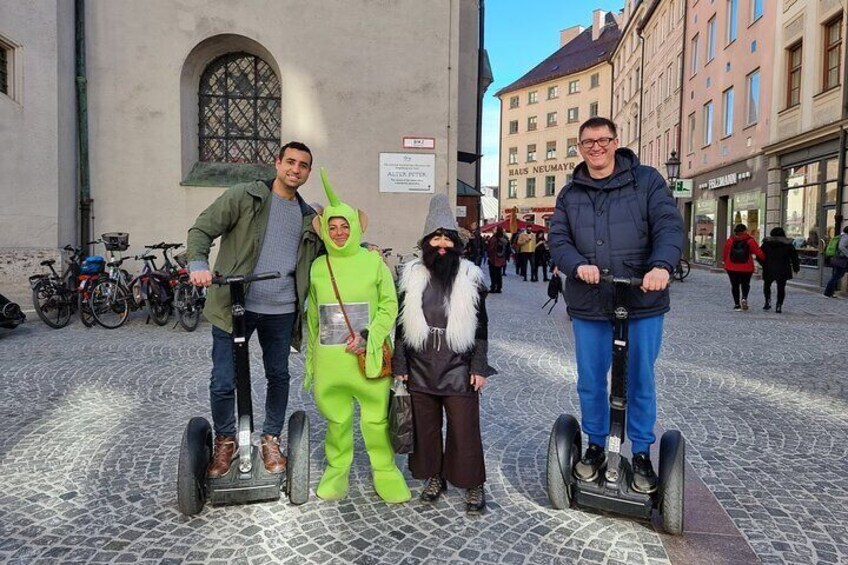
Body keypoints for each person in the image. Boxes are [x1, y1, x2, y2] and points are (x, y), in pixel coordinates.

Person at [548, 116, 683, 494]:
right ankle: (594, 444)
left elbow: (669, 226)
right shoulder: (570, 193)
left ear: (615, 142)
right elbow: (558, 239)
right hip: (590, 301)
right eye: (588, 142)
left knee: (640, 377)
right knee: (591, 379)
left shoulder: (648, 180)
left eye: (603, 140)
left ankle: (640, 451)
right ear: (580, 147)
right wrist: (577, 265)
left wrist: (661, 265)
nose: (596, 147)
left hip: (642, 298)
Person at [186, 141, 323, 478]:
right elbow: (202, 228)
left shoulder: (308, 217)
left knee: (278, 375)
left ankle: (271, 438)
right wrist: (199, 262)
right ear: (276, 163)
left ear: (307, 172)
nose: (295, 169)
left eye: (303, 165)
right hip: (235, 305)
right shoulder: (245, 196)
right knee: (222, 380)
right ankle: (226, 441)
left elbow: (334, 245)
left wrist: (367, 249)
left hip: (282, 309)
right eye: (290, 162)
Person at [304, 170, 410, 503]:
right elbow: (311, 319)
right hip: (331, 363)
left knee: (375, 421)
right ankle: (337, 470)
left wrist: (371, 335)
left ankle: (384, 470)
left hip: (369, 358)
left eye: (344, 226)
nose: (338, 232)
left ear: (356, 227)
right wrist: (311, 363)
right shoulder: (318, 266)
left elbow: (390, 305)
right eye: (332, 226)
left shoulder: (373, 262)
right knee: (337, 421)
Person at [393, 193, 492, 514]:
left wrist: (478, 367)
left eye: (447, 239)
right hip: (420, 364)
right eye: (435, 238)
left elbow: (481, 327)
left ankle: (473, 482)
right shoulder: (411, 275)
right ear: (425, 242)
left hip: (457, 364)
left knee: (464, 428)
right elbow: (401, 326)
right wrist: (400, 364)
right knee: (426, 427)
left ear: (455, 244)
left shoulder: (470, 277)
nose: (441, 245)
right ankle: (435, 476)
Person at [723, 223, 765, 311]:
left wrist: (725, 263)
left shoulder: (730, 240)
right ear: (745, 231)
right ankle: (744, 298)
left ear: (736, 231)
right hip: (746, 267)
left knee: (735, 285)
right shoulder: (750, 240)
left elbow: (725, 253)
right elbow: (758, 252)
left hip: (731, 267)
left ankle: (737, 305)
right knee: (745, 284)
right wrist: (765, 260)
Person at [758, 227, 800, 313]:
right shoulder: (788, 244)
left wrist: (763, 264)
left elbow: (759, 256)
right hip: (783, 268)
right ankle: (779, 305)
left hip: (769, 267)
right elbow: (794, 257)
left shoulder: (766, 244)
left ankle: (767, 302)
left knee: (767, 285)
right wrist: (796, 267)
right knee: (781, 287)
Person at [824, 226, 848, 297]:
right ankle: (827, 293)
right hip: (841, 259)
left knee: (836, 276)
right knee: (837, 276)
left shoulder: (842, 236)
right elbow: (841, 246)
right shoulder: (846, 237)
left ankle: (830, 293)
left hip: (837, 259)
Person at [486, 226, 507, 293]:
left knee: (493, 274)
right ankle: (499, 287)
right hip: (501, 258)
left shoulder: (494, 238)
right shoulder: (504, 238)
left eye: (494, 229)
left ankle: (493, 287)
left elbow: (491, 248)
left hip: (494, 258)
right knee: (499, 274)